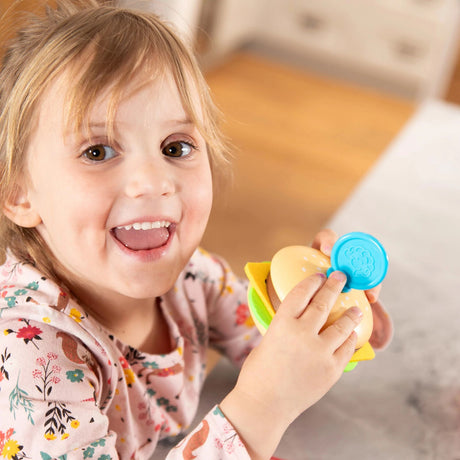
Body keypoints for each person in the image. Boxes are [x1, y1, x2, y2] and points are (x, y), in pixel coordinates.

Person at [0, 1, 392, 458]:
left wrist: (329, 309)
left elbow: (276, 353)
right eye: (98, 152)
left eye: (175, 146)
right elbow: (268, 393)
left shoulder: (194, 279)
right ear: (19, 195)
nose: (155, 181)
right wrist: (260, 407)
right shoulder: (30, 358)